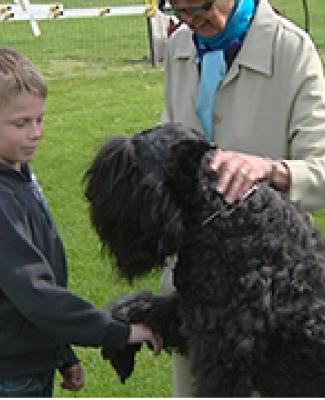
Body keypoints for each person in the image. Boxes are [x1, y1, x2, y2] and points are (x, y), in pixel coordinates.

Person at [158, 0, 325, 396]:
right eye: (176, 8)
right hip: (198, 285)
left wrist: (273, 170)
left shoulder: (291, 50)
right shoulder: (181, 46)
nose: (190, 19)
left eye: (198, 6)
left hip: (271, 298)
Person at [0, 47, 162, 398]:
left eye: (39, 119)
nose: (35, 133)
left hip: (29, 359)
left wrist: (61, 353)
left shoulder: (19, 175)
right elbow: (33, 293)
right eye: (20, 123)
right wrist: (120, 332)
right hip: (11, 375)